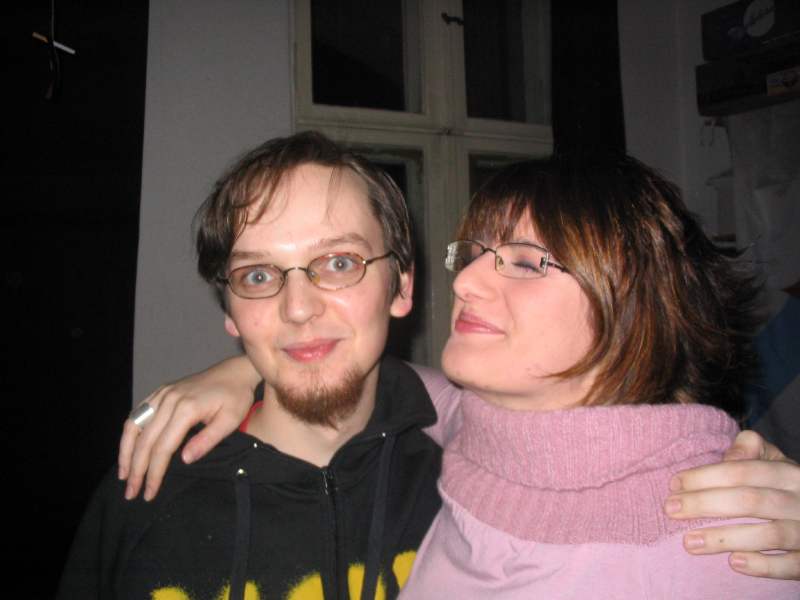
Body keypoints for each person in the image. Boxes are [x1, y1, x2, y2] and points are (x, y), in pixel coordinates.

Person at [119, 152, 800, 593]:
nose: (468, 280)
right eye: (473, 254)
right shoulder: (475, 431)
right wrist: (250, 366)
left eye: (526, 262)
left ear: (640, 306)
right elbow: (391, 377)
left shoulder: (725, 535)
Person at [58, 132, 442, 600]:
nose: (298, 308)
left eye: (339, 263)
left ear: (401, 287)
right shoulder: (144, 496)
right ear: (230, 312)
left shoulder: (460, 490)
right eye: (257, 275)